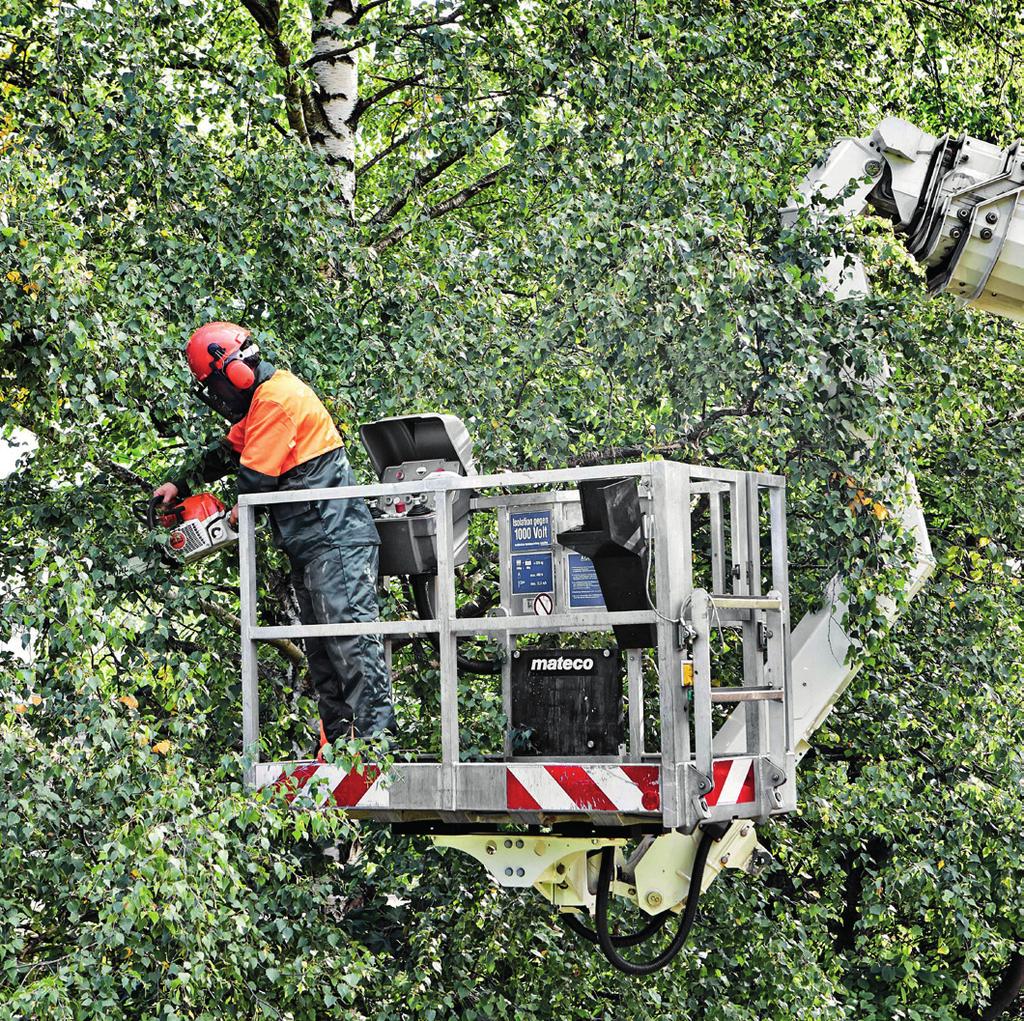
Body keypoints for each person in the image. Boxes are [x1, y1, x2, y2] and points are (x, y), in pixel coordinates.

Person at [153, 321, 396, 753]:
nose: (219, 397)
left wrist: (226, 519)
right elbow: (228, 452)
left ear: (234, 373)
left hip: (334, 538)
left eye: (215, 386)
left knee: (352, 641)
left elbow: (253, 484)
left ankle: (375, 746)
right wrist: (180, 484)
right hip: (312, 545)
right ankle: (343, 748)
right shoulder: (263, 403)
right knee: (323, 654)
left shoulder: (277, 399)